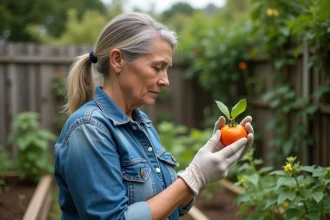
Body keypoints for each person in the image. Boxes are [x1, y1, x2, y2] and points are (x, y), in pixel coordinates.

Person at [54, 12, 254, 220]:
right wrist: (193, 177)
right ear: (117, 60)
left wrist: (207, 164)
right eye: (157, 67)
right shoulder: (89, 129)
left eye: (166, 69)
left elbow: (167, 206)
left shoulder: (141, 124)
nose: (165, 80)